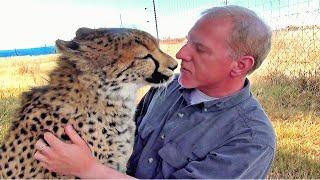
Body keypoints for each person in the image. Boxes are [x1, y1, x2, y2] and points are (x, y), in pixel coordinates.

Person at [34, 5, 276, 179]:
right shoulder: (168, 88)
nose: (181, 54)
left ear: (240, 65)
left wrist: (88, 169)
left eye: (200, 49)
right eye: (188, 41)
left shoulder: (251, 139)